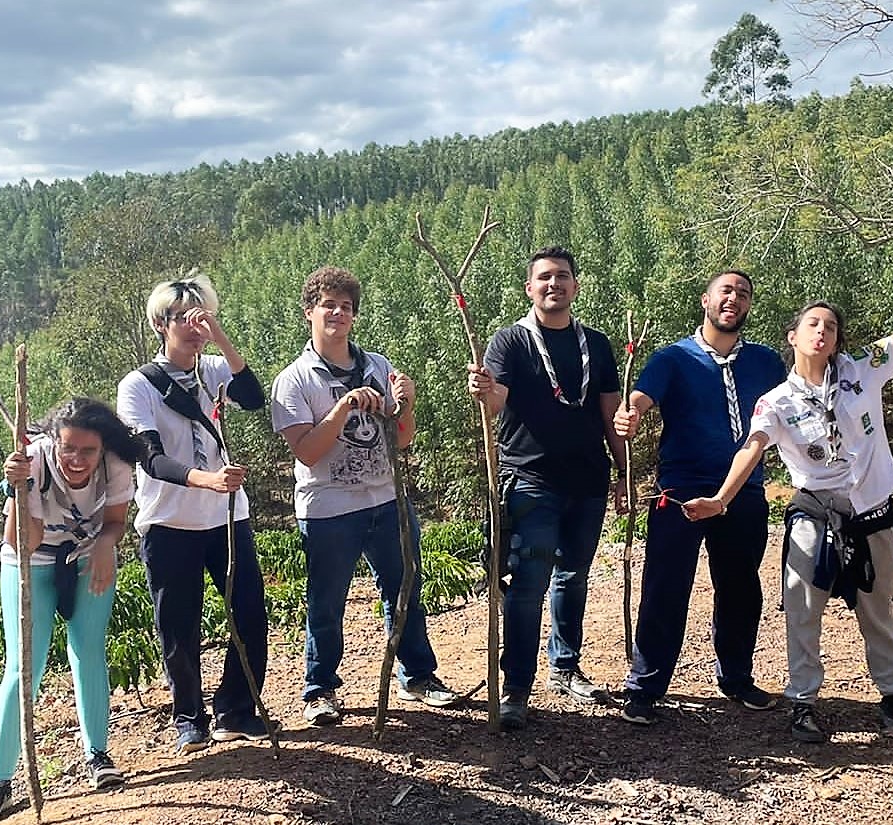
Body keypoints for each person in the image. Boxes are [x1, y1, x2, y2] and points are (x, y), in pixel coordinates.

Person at [708, 266, 893, 743]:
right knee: (802, 606)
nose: (823, 331)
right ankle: (802, 701)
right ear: (793, 336)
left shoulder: (863, 370)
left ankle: (892, 696)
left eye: (832, 326)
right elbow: (752, 447)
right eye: (813, 324)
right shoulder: (775, 401)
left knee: (877, 606)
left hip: (872, 511)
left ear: (838, 341)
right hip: (815, 511)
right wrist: (721, 500)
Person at [271, 266, 459, 726]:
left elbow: (404, 438)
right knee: (327, 599)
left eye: (346, 307)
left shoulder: (377, 364)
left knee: (405, 588)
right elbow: (309, 452)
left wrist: (406, 403)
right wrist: (343, 407)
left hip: (387, 499)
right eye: (328, 305)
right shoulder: (294, 381)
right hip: (329, 506)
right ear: (309, 313)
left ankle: (417, 676)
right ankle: (320, 689)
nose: (338, 313)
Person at [612, 269, 786, 726]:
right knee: (666, 588)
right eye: (726, 291)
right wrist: (629, 417)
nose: (734, 299)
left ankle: (736, 678)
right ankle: (645, 686)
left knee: (741, 587)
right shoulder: (674, 358)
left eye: (743, 294)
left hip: (743, 490)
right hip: (681, 491)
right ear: (706, 300)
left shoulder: (767, 363)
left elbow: (794, 406)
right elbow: (640, 398)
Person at [466, 246, 624, 730]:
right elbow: (494, 405)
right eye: (545, 278)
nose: (555, 284)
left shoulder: (595, 344)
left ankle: (566, 665)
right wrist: (483, 390)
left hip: (589, 481)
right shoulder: (510, 341)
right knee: (528, 585)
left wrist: (623, 475)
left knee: (573, 576)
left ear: (576, 286)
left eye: (563, 276)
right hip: (530, 481)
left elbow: (610, 414)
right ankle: (516, 686)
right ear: (530, 289)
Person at [116, 271, 272, 755]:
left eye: (199, 315)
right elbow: (151, 457)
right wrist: (208, 480)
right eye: (181, 317)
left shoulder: (215, 372)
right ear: (161, 325)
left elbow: (252, 396)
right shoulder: (138, 385)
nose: (192, 324)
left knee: (249, 613)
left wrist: (220, 338)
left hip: (227, 517)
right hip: (170, 522)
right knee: (178, 625)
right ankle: (189, 717)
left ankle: (237, 709)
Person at [0, 398, 139, 825]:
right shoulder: (33, 460)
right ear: (54, 443)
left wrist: (104, 546)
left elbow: (115, 520)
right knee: (25, 667)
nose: (76, 459)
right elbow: (20, 540)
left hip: (87, 557)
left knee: (88, 650)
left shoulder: (115, 463)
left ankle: (98, 755)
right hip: (31, 561)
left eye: (87, 451)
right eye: (68, 449)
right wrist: (19, 490)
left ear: (102, 449)